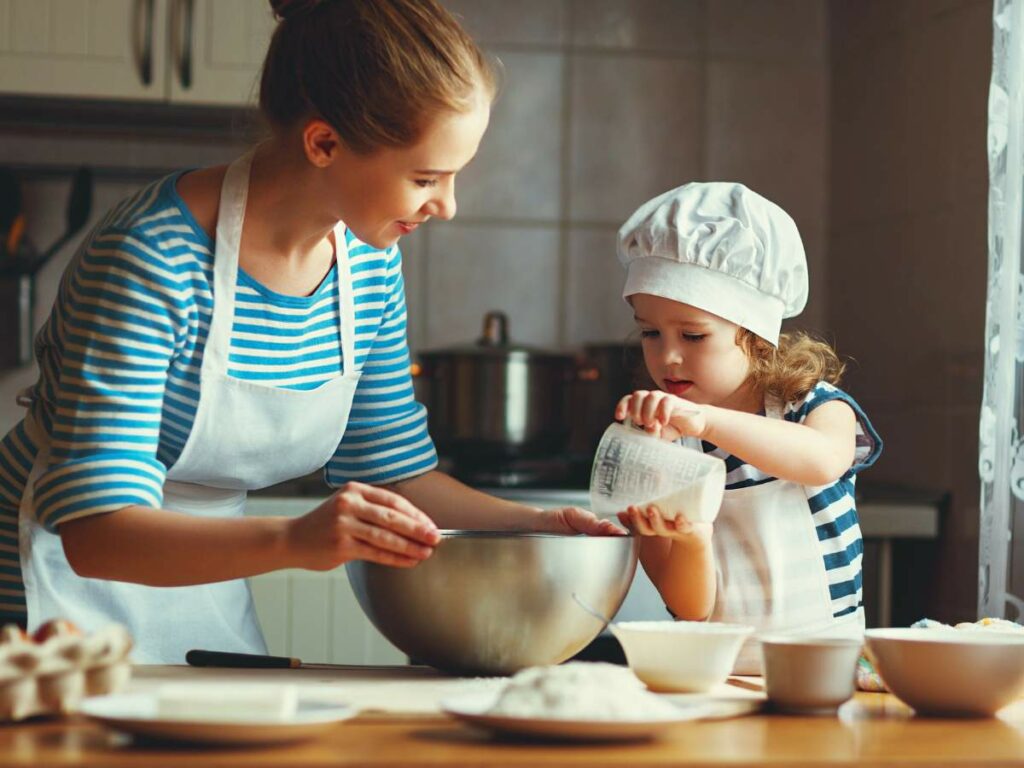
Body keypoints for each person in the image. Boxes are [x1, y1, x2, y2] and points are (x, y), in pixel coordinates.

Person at [0, 0, 619, 663]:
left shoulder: (369, 263)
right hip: (44, 599)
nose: (448, 206)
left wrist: (536, 525)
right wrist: (295, 541)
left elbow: (395, 474)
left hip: (203, 580)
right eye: (424, 178)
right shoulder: (152, 259)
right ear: (324, 143)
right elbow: (95, 535)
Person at [613, 182, 882, 673]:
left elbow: (822, 461)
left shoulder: (812, 406)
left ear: (756, 335)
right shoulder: (664, 447)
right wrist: (691, 540)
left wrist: (708, 420)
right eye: (650, 332)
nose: (667, 355)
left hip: (828, 671)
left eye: (693, 335)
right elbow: (690, 609)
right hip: (718, 676)